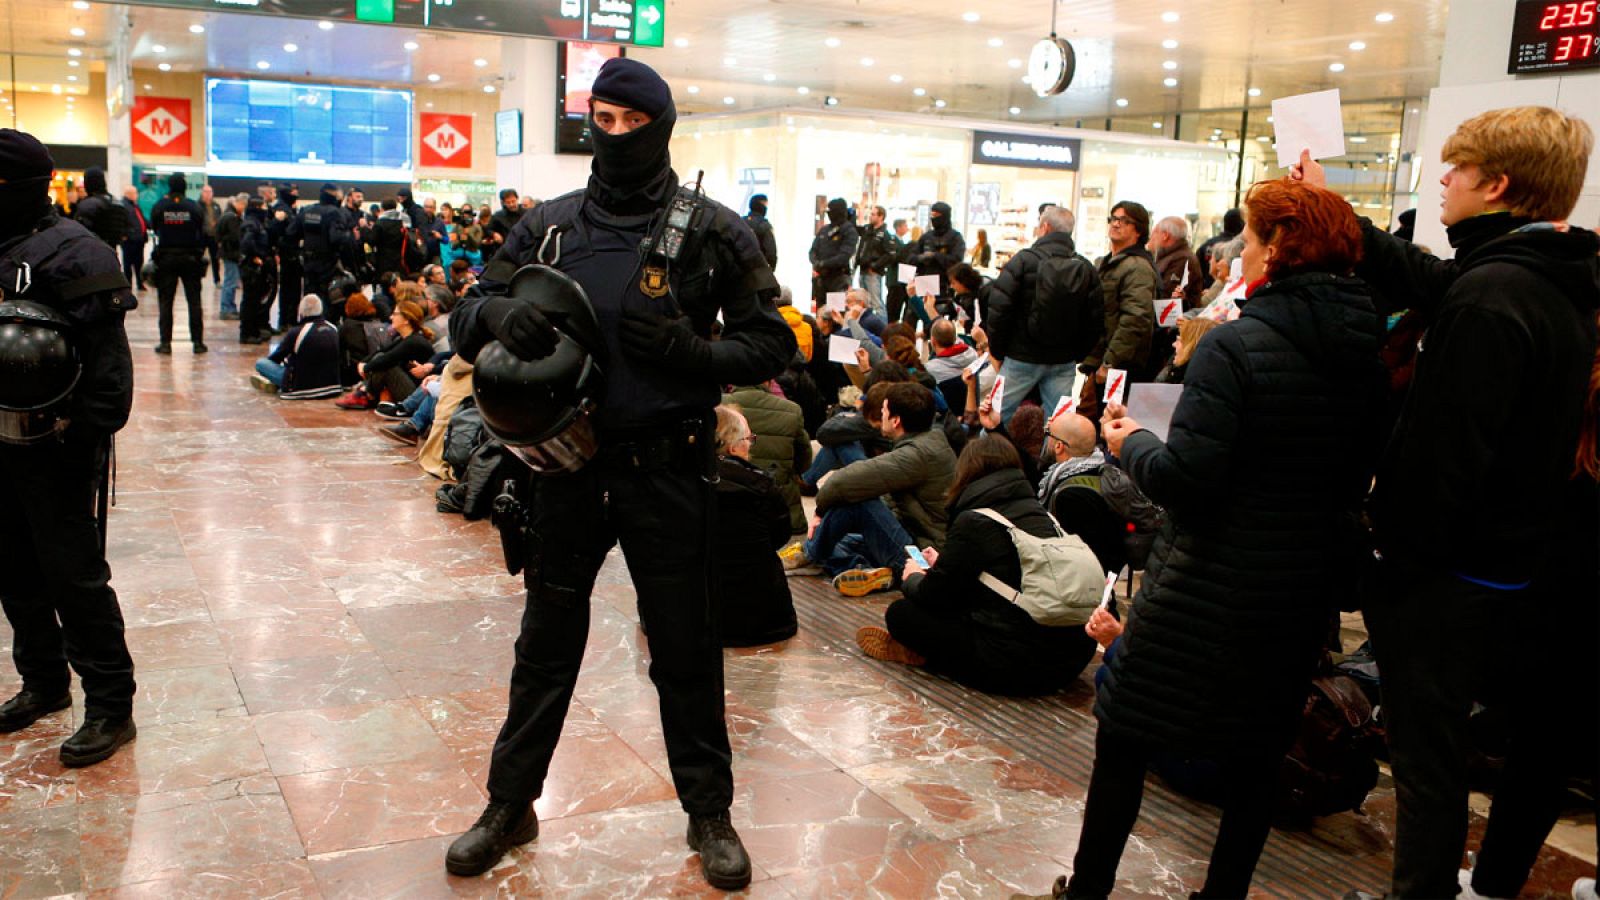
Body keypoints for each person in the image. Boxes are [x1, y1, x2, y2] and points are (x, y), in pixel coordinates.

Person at [444, 57, 794, 890]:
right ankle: (509, 803)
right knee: (545, 646)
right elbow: (465, 314)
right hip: (566, 470)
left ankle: (709, 811)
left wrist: (692, 352)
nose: (617, 136)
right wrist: (499, 312)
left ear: (661, 128)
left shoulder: (714, 231)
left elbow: (774, 342)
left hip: (668, 469)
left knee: (685, 648)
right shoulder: (549, 226)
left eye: (634, 124)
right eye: (603, 121)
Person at [1017, 177, 1388, 900]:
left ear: (1278, 250)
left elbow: (1188, 480)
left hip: (1204, 585)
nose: (1239, 252)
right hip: (1297, 592)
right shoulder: (1368, 361)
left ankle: (1088, 889)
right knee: (1256, 757)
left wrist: (1131, 442)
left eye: (1250, 239)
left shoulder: (1234, 348)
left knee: (1125, 735)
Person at [1293, 107, 1600, 900]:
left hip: (1445, 579)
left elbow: (1443, 459)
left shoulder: (1493, 296)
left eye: (1457, 168)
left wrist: (1387, 560)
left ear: (1497, 185)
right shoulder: (1546, 277)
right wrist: (1335, 209)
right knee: (1448, 759)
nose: (1443, 180)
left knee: (1426, 766)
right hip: (1503, 567)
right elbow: (1434, 277)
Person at [0, 128, 139, 768]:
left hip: (55, 444)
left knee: (74, 578)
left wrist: (81, 436)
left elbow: (110, 370)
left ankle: (110, 706)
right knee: (13, 568)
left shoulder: (76, 252)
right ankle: (44, 681)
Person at [856, 435, 1099, 695]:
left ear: (966, 472)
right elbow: (1007, 575)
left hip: (1018, 667)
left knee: (901, 614)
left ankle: (926, 657)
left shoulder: (975, 521)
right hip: (1072, 661)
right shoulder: (1045, 516)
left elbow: (935, 596)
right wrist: (945, 563)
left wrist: (914, 577)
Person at [796, 381, 956, 596]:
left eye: (884, 411)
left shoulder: (916, 455)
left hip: (921, 554)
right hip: (914, 535)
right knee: (836, 537)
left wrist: (819, 511)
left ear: (896, 420)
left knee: (853, 506)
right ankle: (869, 570)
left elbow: (841, 483)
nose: (881, 415)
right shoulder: (931, 440)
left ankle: (811, 555)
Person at [986, 205, 1100, 424]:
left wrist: (998, 350)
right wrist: (1077, 354)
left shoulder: (1023, 261)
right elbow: (1094, 320)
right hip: (1063, 360)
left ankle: (992, 447)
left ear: (1045, 227)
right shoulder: (1085, 267)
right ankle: (1051, 449)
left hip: (1021, 356)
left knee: (995, 416)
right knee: (1058, 423)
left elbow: (999, 309)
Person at [711, 405, 798, 647]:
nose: (750, 445)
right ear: (733, 447)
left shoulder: (681, 485)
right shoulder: (761, 486)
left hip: (696, 620)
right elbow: (780, 536)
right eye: (749, 439)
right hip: (763, 620)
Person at [1079, 201, 1157, 419]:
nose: (1116, 224)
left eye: (1124, 220)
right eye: (1113, 218)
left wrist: (1110, 363)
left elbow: (1136, 319)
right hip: (1101, 360)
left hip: (1119, 367)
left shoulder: (1137, 267)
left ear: (1138, 230)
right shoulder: (1110, 262)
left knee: (1108, 423)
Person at [721, 382, 812, 534]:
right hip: (784, 510)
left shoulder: (719, 407)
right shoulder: (791, 410)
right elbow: (804, 459)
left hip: (728, 511)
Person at [148, 173, 208, 355]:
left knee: (166, 302)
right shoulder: (193, 206)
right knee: (194, 302)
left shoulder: (160, 206)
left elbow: (154, 228)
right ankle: (198, 343)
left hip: (166, 258)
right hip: (190, 259)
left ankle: (165, 343)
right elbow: (202, 231)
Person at [336, 298, 434, 409]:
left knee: (387, 367)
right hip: (412, 388)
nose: (391, 317)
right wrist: (362, 363)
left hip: (417, 396)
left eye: (395, 314)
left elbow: (389, 358)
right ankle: (366, 393)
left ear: (406, 320)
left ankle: (366, 393)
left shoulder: (414, 341)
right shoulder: (404, 338)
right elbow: (382, 351)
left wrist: (366, 368)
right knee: (380, 358)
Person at [252, 294, 342, 398]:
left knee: (261, 363)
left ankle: (277, 383)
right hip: (332, 385)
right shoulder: (333, 329)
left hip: (300, 386)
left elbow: (275, 358)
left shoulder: (296, 332)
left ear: (301, 311)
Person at [292, 183, 351, 321]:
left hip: (308, 262)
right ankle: (325, 325)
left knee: (310, 295)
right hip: (327, 262)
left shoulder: (307, 211)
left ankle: (308, 322)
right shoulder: (334, 213)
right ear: (335, 197)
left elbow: (291, 233)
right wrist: (348, 236)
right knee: (327, 297)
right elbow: (336, 238)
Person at [910, 201, 966, 305]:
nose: (933, 218)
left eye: (936, 215)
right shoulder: (926, 237)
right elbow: (911, 258)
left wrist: (936, 256)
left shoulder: (955, 237)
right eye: (932, 215)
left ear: (944, 216)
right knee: (919, 311)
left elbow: (957, 260)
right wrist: (921, 258)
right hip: (925, 282)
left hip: (945, 285)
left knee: (940, 312)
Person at [238, 196, 276, 345]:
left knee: (255, 300)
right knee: (250, 301)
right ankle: (247, 333)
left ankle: (254, 330)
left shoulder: (257, 222)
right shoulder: (251, 223)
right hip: (251, 268)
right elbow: (247, 243)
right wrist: (256, 256)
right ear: (258, 208)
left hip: (256, 268)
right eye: (264, 207)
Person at [810, 197, 858, 310]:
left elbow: (844, 256)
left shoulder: (849, 230)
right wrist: (816, 262)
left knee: (835, 312)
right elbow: (813, 250)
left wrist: (823, 263)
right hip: (822, 278)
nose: (829, 215)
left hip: (838, 278)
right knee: (821, 312)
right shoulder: (824, 229)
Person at [1150, 215, 1204, 310]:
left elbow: (1167, 294)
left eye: (1155, 232)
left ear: (1165, 235)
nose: (1151, 237)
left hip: (1174, 316)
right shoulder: (1169, 256)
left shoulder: (1182, 259)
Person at [269, 183, 301, 334]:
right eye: (294, 193)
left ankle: (290, 319)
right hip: (287, 253)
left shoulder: (289, 208)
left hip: (291, 253)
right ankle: (286, 320)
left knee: (293, 289)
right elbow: (281, 231)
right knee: (289, 289)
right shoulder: (281, 208)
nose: (296, 196)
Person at [71, 167, 128, 251]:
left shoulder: (89, 204)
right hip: (112, 251)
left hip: (92, 251)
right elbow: (124, 230)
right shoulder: (116, 202)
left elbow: (78, 233)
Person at [856, 205, 899, 316]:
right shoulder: (868, 231)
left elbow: (890, 255)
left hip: (873, 272)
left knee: (876, 303)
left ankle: (882, 324)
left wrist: (875, 265)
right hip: (863, 270)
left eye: (873, 214)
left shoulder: (885, 234)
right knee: (865, 303)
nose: (871, 216)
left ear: (881, 217)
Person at [1154, 316, 1219, 385]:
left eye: (1179, 340)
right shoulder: (1180, 374)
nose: (1173, 344)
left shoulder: (1193, 384)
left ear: (1190, 346)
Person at [1194, 208, 1243, 288]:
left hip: (1207, 289)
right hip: (1227, 288)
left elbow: (1196, 272)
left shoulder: (1207, 244)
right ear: (1241, 224)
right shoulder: (1239, 246)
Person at [216, 193, 245, 321]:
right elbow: (235, 237)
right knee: (231, 282)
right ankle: (226, 309)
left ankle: (230, 307)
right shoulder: (232, 217)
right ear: (239, 203)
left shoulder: (227, 214)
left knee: (231, 281)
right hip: (231, 254)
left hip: (228, 253)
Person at [119, 186, 148, 293]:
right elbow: (121, 222)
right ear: (129, 194)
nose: (137, 195)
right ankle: (128, 285)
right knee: (128, 264)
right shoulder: (124, 206)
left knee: (139, 263)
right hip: (130, 241)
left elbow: (141, 220)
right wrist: (125, 235)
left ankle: (140, 283)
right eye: (135, 193)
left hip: (139, 240)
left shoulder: (135, 206)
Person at [199, 183, 222, 287]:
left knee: (215, 259)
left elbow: (220, 218)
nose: (208, 194)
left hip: (213, 236)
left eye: (210, 192)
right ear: (202, 193)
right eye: (206, 192)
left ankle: (217, 280)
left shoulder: (216, 206)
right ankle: (197, 277)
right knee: (199, 258)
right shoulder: (198, 206)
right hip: (202, 236)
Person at [745, 193, 777, 269]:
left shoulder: (739, 221)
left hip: (738, 270)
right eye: (765, 205)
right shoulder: (764, 225)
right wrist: (771, 268)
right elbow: (771, 252)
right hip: (757, 269)